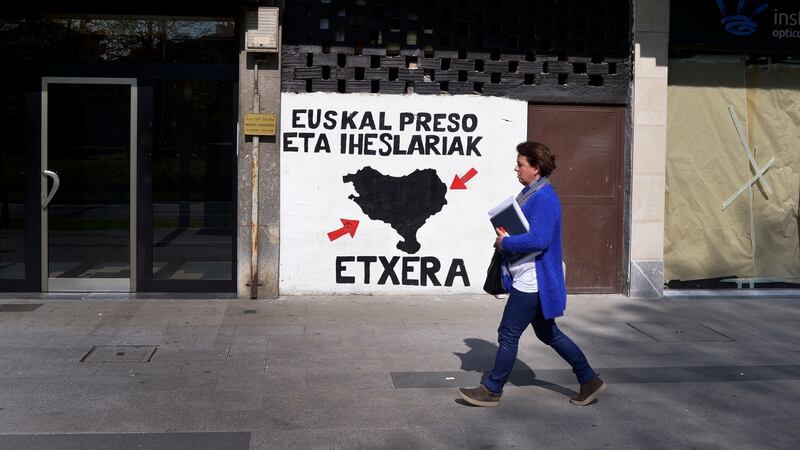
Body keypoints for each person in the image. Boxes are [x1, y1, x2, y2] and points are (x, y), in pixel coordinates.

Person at [458, 141, 605, 407]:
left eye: (521, 164)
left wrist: (506, 243)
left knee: (508, 333)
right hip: (528, 274)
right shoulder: (531, 193)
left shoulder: (544, 197)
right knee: (548, 333)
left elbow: (539, 240)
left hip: (533, 278)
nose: (516, 168)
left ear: (536, 168)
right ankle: (588, 378)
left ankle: (492, 389)